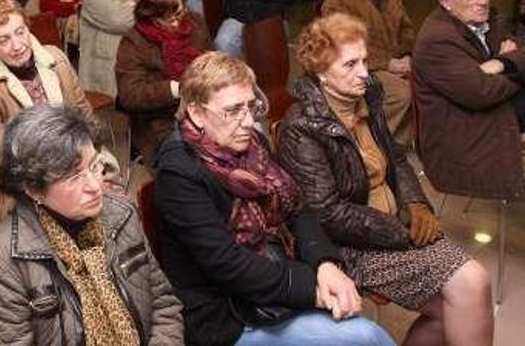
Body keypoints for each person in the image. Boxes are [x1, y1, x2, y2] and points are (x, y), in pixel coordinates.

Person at [279, 12, 494, 346]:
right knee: (472, 285)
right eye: (350, 65)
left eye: (364, 60)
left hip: (395, 224)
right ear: (321, 72)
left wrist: (416, 203)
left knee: (466, 297)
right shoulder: (301, 126)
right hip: (352, 247)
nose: (365, 73)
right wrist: (400, 230)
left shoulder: (368, 93)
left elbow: (394, 156)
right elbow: (327, 213)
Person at [153, 51, 395, 346]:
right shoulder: (179, 173)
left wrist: (325, 264)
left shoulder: (252, 145)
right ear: (196, 113)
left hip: (272, 284)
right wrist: (313, 291)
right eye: (232, 111)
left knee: (362, 334)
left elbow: (297, 208)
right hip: (227, 314)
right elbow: (228, 265)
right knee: (365, 338)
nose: (246, 122)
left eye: (250, 107)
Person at [0, 104, 184, 345]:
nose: (95, 186)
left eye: (95, 166)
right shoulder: (6, 260)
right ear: (34, 189)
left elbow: (163, 304)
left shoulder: (120, 214)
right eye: (74, 177)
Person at [0, 0, 99, 228]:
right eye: (4, 39)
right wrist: (63, 185)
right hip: (19, 189)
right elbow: (2, 164)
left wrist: (90, 168)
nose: (17, 45)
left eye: (20, 32)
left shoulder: (56, 59)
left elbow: (87, 121)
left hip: (74, 169)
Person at [413, 0, 525, 200]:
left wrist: (501, 64)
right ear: (446, 3)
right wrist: (513, 66)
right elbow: (481, 92)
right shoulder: (437, 39)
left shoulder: (483, 19)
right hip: (462, 129)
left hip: (491, 104)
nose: (483, 1)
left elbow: (520, 49)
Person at [322, 0, 415, 147]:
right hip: (362, 66)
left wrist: (407, 56)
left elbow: (406, 29)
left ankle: (398, 143)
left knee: (434, 78)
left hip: (396, 59)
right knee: (401, 94)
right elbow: (341, 48)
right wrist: (387, 63)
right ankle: (372, 144)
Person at [116, 0, 212, 164]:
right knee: (196, 160)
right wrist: (176, 89)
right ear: (151, 16)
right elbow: (129, 96)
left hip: (204, 104)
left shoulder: (195, 22)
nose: (178, 22)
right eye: (169, 19)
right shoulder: (133, 42)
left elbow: (212, 59)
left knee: (245, 131)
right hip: (161, 120)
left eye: (180, 12)